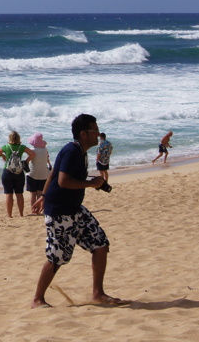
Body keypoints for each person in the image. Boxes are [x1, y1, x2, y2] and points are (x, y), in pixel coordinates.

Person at [31, 113, 128, 309]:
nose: (98, 134)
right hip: (60, 212)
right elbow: (63, 180)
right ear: (84, 134)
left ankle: (98, 293)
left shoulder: (79, 151)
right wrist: (90, 183)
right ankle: (37, 299)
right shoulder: (72, 151)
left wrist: (44, 195)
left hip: (75, 210)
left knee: (100, 244)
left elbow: (54, 174)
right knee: (57, 257)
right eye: (95, 130)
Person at [0, 131, 33, 218]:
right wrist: (26, 161)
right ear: (19, 138)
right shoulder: (21, 147)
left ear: (9, 138)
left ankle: (9, 215)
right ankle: (21, 214)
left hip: (7, 171)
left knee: (9, 194)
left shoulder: (6, 147)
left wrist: (3, 155)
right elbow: (33, 154)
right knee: (19, 194)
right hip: (19, 172)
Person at [26, 133, 51, 216]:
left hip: (33, 173)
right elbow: (47, 159)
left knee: (33, 194)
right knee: (40, 193)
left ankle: (34, 210)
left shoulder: (32, 150)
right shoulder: (45, 150)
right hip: (43, 174)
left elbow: (28, 160)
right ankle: (39, 210)